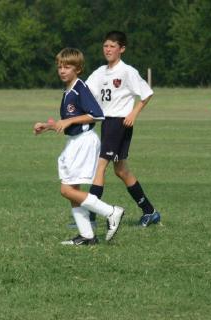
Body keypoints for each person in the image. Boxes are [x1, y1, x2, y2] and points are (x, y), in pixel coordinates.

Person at [34, 48, 125, 245]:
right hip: (75, 141)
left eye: (67, 67)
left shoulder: (79, 88)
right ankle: (87, 237)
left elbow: (97, 114)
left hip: (84, 141)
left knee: (66, 189)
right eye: (59, 67)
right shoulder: (68, 90)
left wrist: (69, 122)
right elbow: (67, 121)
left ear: (78, 69)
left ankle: (111, 212)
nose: (62, 70)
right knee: (71, 188)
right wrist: (49, 126)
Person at [85, 31, 161, 227]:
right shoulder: (100, 72)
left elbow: (146, 93)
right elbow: (86, 92)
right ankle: (149, 211)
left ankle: (90, 217)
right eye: (105, 46)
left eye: (112, 46)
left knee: (100, 166)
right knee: (121, 170)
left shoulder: (127, 71)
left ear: (122, 49)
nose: (108, 49)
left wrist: (133, 114)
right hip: (107, 123)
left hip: (119, 123)